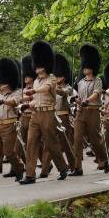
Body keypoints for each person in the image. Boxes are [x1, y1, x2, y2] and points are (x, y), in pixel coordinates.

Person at [20, 41, 69, 184]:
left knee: (51, 143)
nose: (37, 69)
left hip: (48, 114)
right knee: (31, 143)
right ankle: (30, 175)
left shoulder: (52, 78)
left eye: (39, 66)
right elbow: (36, 99)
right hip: (35, 114)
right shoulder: (35, 81)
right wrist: (27, 103)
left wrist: (33, 91)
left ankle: (63, 168)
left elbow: (46, 89)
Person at [0, 57, 25, 184]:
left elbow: (14, 102)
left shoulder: (18, 92)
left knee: (8, 152)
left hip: (10, 125)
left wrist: (4, 100)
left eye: (4, 82)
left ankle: (19, 167)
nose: (1, 85)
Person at [71, 44, 109, 174]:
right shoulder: (80, 82)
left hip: (93, 111)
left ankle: (104, 160)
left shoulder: (97, 80)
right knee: (77, 139)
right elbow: (79, 97)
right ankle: (77, 167)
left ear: (91, 67)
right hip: (81, 112)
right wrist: (76, 100)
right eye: (84, 67)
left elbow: (97, 93)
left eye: (86, 67)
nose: (84, 69)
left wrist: (88, 100)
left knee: (94, 139)